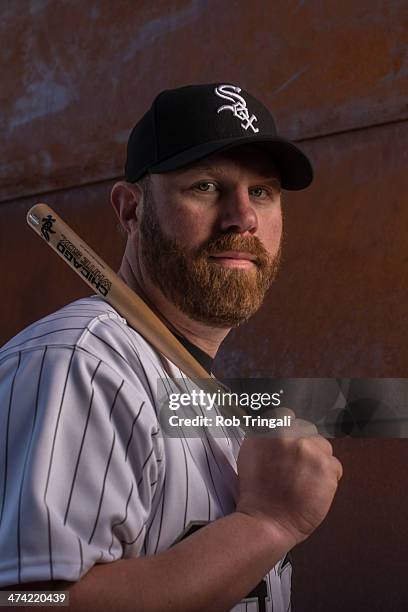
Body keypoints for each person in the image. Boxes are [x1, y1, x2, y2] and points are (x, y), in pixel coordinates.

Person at [0, 83, 342, 611]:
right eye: (205, 186)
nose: (242, 218)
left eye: (262, 192)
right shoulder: (82, 364)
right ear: (131, 210)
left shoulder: (202, 396)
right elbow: (26, 602)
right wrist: (268, 524)